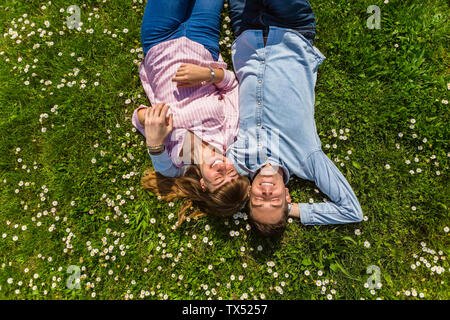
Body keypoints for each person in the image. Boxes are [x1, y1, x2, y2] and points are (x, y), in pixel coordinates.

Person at [227, 0, 363, 237]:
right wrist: (293, 210)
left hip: (246, 34)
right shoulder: (306, 158)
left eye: (258, 204)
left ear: (248, 196)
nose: (266, 196)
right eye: (276, 204)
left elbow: (194, 165)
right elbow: (352, 211)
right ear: (287, 196)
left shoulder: (236, 160)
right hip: (292, 32)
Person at [132, 0, 250, 225]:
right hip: (203, 39)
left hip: (159, 42)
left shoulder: (173, 165)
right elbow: (232, 85)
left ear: (204, 185)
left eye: (219, 179)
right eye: (232, 173)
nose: (223, 168)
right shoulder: (229, 136)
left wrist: (150, 125)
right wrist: (207, 75)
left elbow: (137, 118)